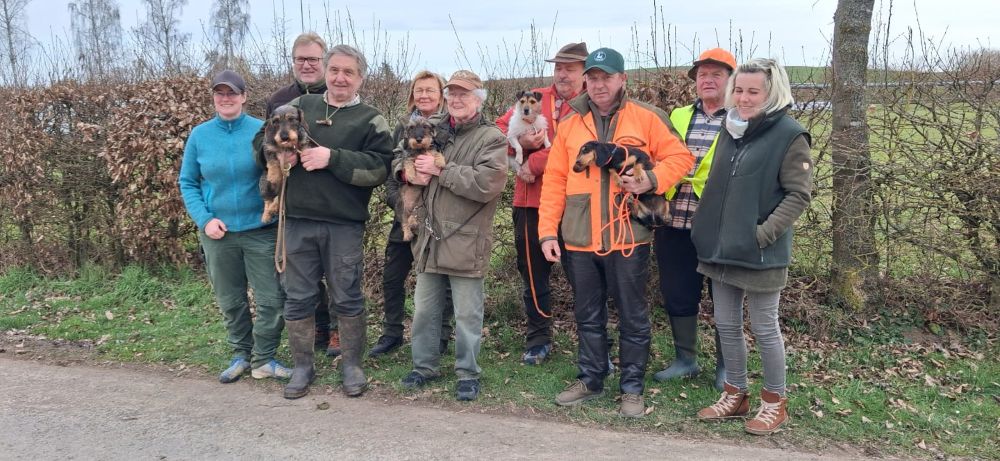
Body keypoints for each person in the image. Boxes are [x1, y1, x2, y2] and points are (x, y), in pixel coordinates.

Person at [537, 48, 694, 417]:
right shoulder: (571, 123)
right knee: (587, 315)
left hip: (627, 237)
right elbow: (556, 180)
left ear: (622, 79)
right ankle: (591, 379)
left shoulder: (646, 117)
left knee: (633, 316)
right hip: (578, 237)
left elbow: (681, 159)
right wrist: (547, 233)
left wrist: (650, 180)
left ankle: (632, 389)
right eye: (592, 77)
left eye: (606, 77)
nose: (598, 84)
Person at [254, 44, 394, 400]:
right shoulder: (301, 108)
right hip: (297, 220)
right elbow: (262, 143)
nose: (340, 77)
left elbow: (379, 168)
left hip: (343, 224)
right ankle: (303, 367)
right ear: (325, 72)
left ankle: (352, 366)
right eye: (334, 70)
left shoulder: (371, 119)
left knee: (347, 297)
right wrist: (282, 150)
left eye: (349, 72)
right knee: (297, 298)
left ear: (361, 77)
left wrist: (332, 158)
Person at [691, 58, 812, 435]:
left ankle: (775, 402)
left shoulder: (790, 134)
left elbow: (798, 194)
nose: (743, 98)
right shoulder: (731, 127)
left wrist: (763, 233)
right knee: (726, 325)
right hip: (721, 247)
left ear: (770, 93)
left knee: (763, 327)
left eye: (752, 91)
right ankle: (736, 394)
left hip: (760, 250)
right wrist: (704, 226)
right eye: (739, 90)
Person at [395, 70, 508, 401]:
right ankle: (424, 366)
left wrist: (442, 170)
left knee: (467, 314)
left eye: (465, 94)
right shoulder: (434, 128)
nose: (457, 99)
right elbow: (402, 155)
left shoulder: (492, 138)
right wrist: (405, 170)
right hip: (430, 237)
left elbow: (487, 184)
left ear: (479, 99)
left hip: (467, 238)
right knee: (425, 310)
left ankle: (467, 373)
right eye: (453, 93)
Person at [179, 70, 290, 384]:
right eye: (220, 93)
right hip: (219, 233)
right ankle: (241, 354)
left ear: (243, 96)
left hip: (260, 229)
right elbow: (188, 182)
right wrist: (205, 219)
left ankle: (264, 358)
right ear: (214, 97)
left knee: (271, 300)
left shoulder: (261, 131)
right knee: (232, 300)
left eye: (232, 93)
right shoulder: (200, 136)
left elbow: (279, 173)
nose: (225, 98)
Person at [495, 42, 587, 366]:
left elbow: (573, 148)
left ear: (584, 71)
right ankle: (538, 340)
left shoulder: (592, 104)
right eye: (559, 67)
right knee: (533, 274)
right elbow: (496, 133)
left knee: (586, 277)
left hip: (579, 205)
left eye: (570, 67)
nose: (562, 73)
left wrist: (534, 163)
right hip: (530, 203)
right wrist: (519, 143)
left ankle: (590, 342)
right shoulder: (534, 98)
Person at [652, 48, 736, 391]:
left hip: (719, 222)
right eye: (702, 74)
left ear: (731, 80)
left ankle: (727, 367)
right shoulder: (678, 114)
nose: (707, 79)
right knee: (678, 293)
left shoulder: (742, 117)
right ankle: (685, 360)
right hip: (674, 219)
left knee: (724, 298)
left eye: (716, 73)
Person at [264, 32, 339, 357]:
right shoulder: (280, 99)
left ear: (323, 62)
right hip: (294, 204)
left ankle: (337, 332)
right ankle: (316, 331)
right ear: (293, 62)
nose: (307, 65)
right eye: (300, 59)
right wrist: (276, 158)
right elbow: (262, 140)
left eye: (313, 59)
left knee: (339, 277)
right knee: (301, 279)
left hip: (333, 202)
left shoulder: (337, 95)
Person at [372, 70, 456, 357]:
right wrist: (400, 200)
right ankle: (391, 333)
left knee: (440, 280)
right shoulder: (402, 127)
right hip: (404, 210)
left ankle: (440, 338)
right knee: (393, 277)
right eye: (419, 90)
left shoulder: (450, 126)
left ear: (441, 94)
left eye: (430, 90)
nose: (424, 95)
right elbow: (392, 166)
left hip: (437, 213)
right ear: (412, 95)